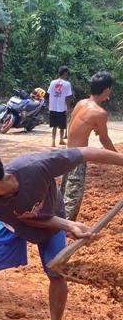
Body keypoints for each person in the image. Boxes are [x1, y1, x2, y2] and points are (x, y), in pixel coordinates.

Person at [0, 147, 123, 320]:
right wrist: (68, 225)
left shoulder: (35, 166)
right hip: (14, 224)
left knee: (56, 274)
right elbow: (24, 219)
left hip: (51, 215)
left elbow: (87, 153)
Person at [62, 70, 117, 221]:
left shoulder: (81, 103)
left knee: (64, 192)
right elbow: (104, 140)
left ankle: (57, 223)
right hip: (77, 158)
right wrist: (119, 158)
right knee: (73, 197)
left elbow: (74, 125)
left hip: (66, 153)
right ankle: (64, 231)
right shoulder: (99, 113)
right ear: (106, 90)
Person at [47, 66, 73, 147]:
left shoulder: (52, 82)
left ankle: (53, 142)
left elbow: (49, 94)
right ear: (65, 73)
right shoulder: (67, 84)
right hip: (62, 108)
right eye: (67, 73)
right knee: (62, 126)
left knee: (54, 126)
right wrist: (68, 108)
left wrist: (49, 104)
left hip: (53, 107)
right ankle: (61, 140)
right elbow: (68, 97)